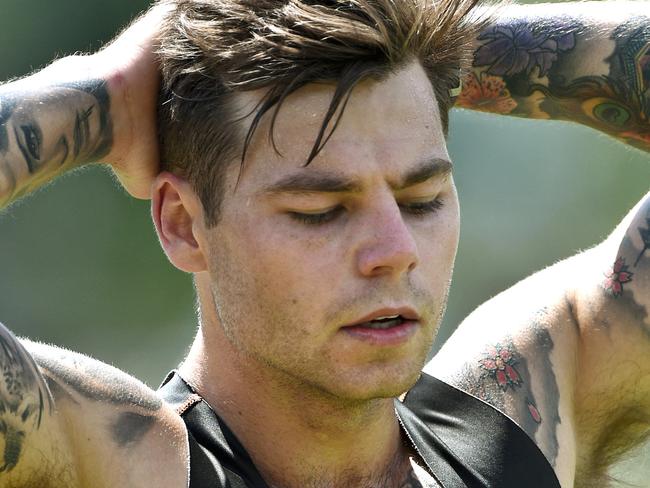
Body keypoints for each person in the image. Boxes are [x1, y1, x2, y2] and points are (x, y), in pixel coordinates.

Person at [0, 1, 648, 487]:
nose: (395, 249)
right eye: (320, 211)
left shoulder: (518, 428)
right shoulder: (109, 462)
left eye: (422, 200)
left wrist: (439, 44)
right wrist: (103, 94)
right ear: (182, 224)